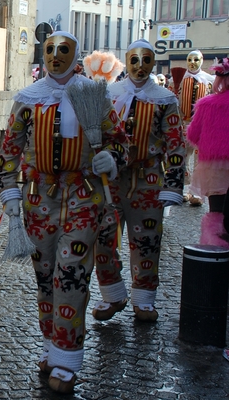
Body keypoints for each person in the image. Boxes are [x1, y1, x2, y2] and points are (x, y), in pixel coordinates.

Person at [0, 31, 129, 393]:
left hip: (84, 197)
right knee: (45, 275)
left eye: (62, 50)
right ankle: (50, 346)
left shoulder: (94, 95)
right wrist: (8, 193)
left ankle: (67, 360)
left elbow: (121, 142)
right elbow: (9, 151)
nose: (55, 56)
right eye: (49, 50)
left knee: (71, 274)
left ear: (75, 55)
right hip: (39, 200)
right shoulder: (27, 99)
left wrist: (111, 158)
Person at [92, 39, 185, 324]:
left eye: (146, 60)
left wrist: (173, 185)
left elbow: (176, 145)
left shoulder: (165, 98)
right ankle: (112, 294)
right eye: (134, 59)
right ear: (127, 60)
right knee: (103, 237)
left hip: (148, 180)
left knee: (146, 241)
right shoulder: (110, 93)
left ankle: (144, 299)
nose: (140, 66)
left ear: (153, 63)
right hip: (111, 180)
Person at [186, 57, 229, 248]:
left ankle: (216, 253)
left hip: (214, 169)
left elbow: (193, 136)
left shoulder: (206, 104)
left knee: (217, 212)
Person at [178, 50, 214, 206]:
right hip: (183, 123)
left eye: (196, 59)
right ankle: (184, 189)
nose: (192, 62)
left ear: (202, 60)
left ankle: (197, 192)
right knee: (184, 157)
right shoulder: (178, 79)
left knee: (200, 159)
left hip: (202, 125)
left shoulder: (209, 79)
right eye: (189, 59)